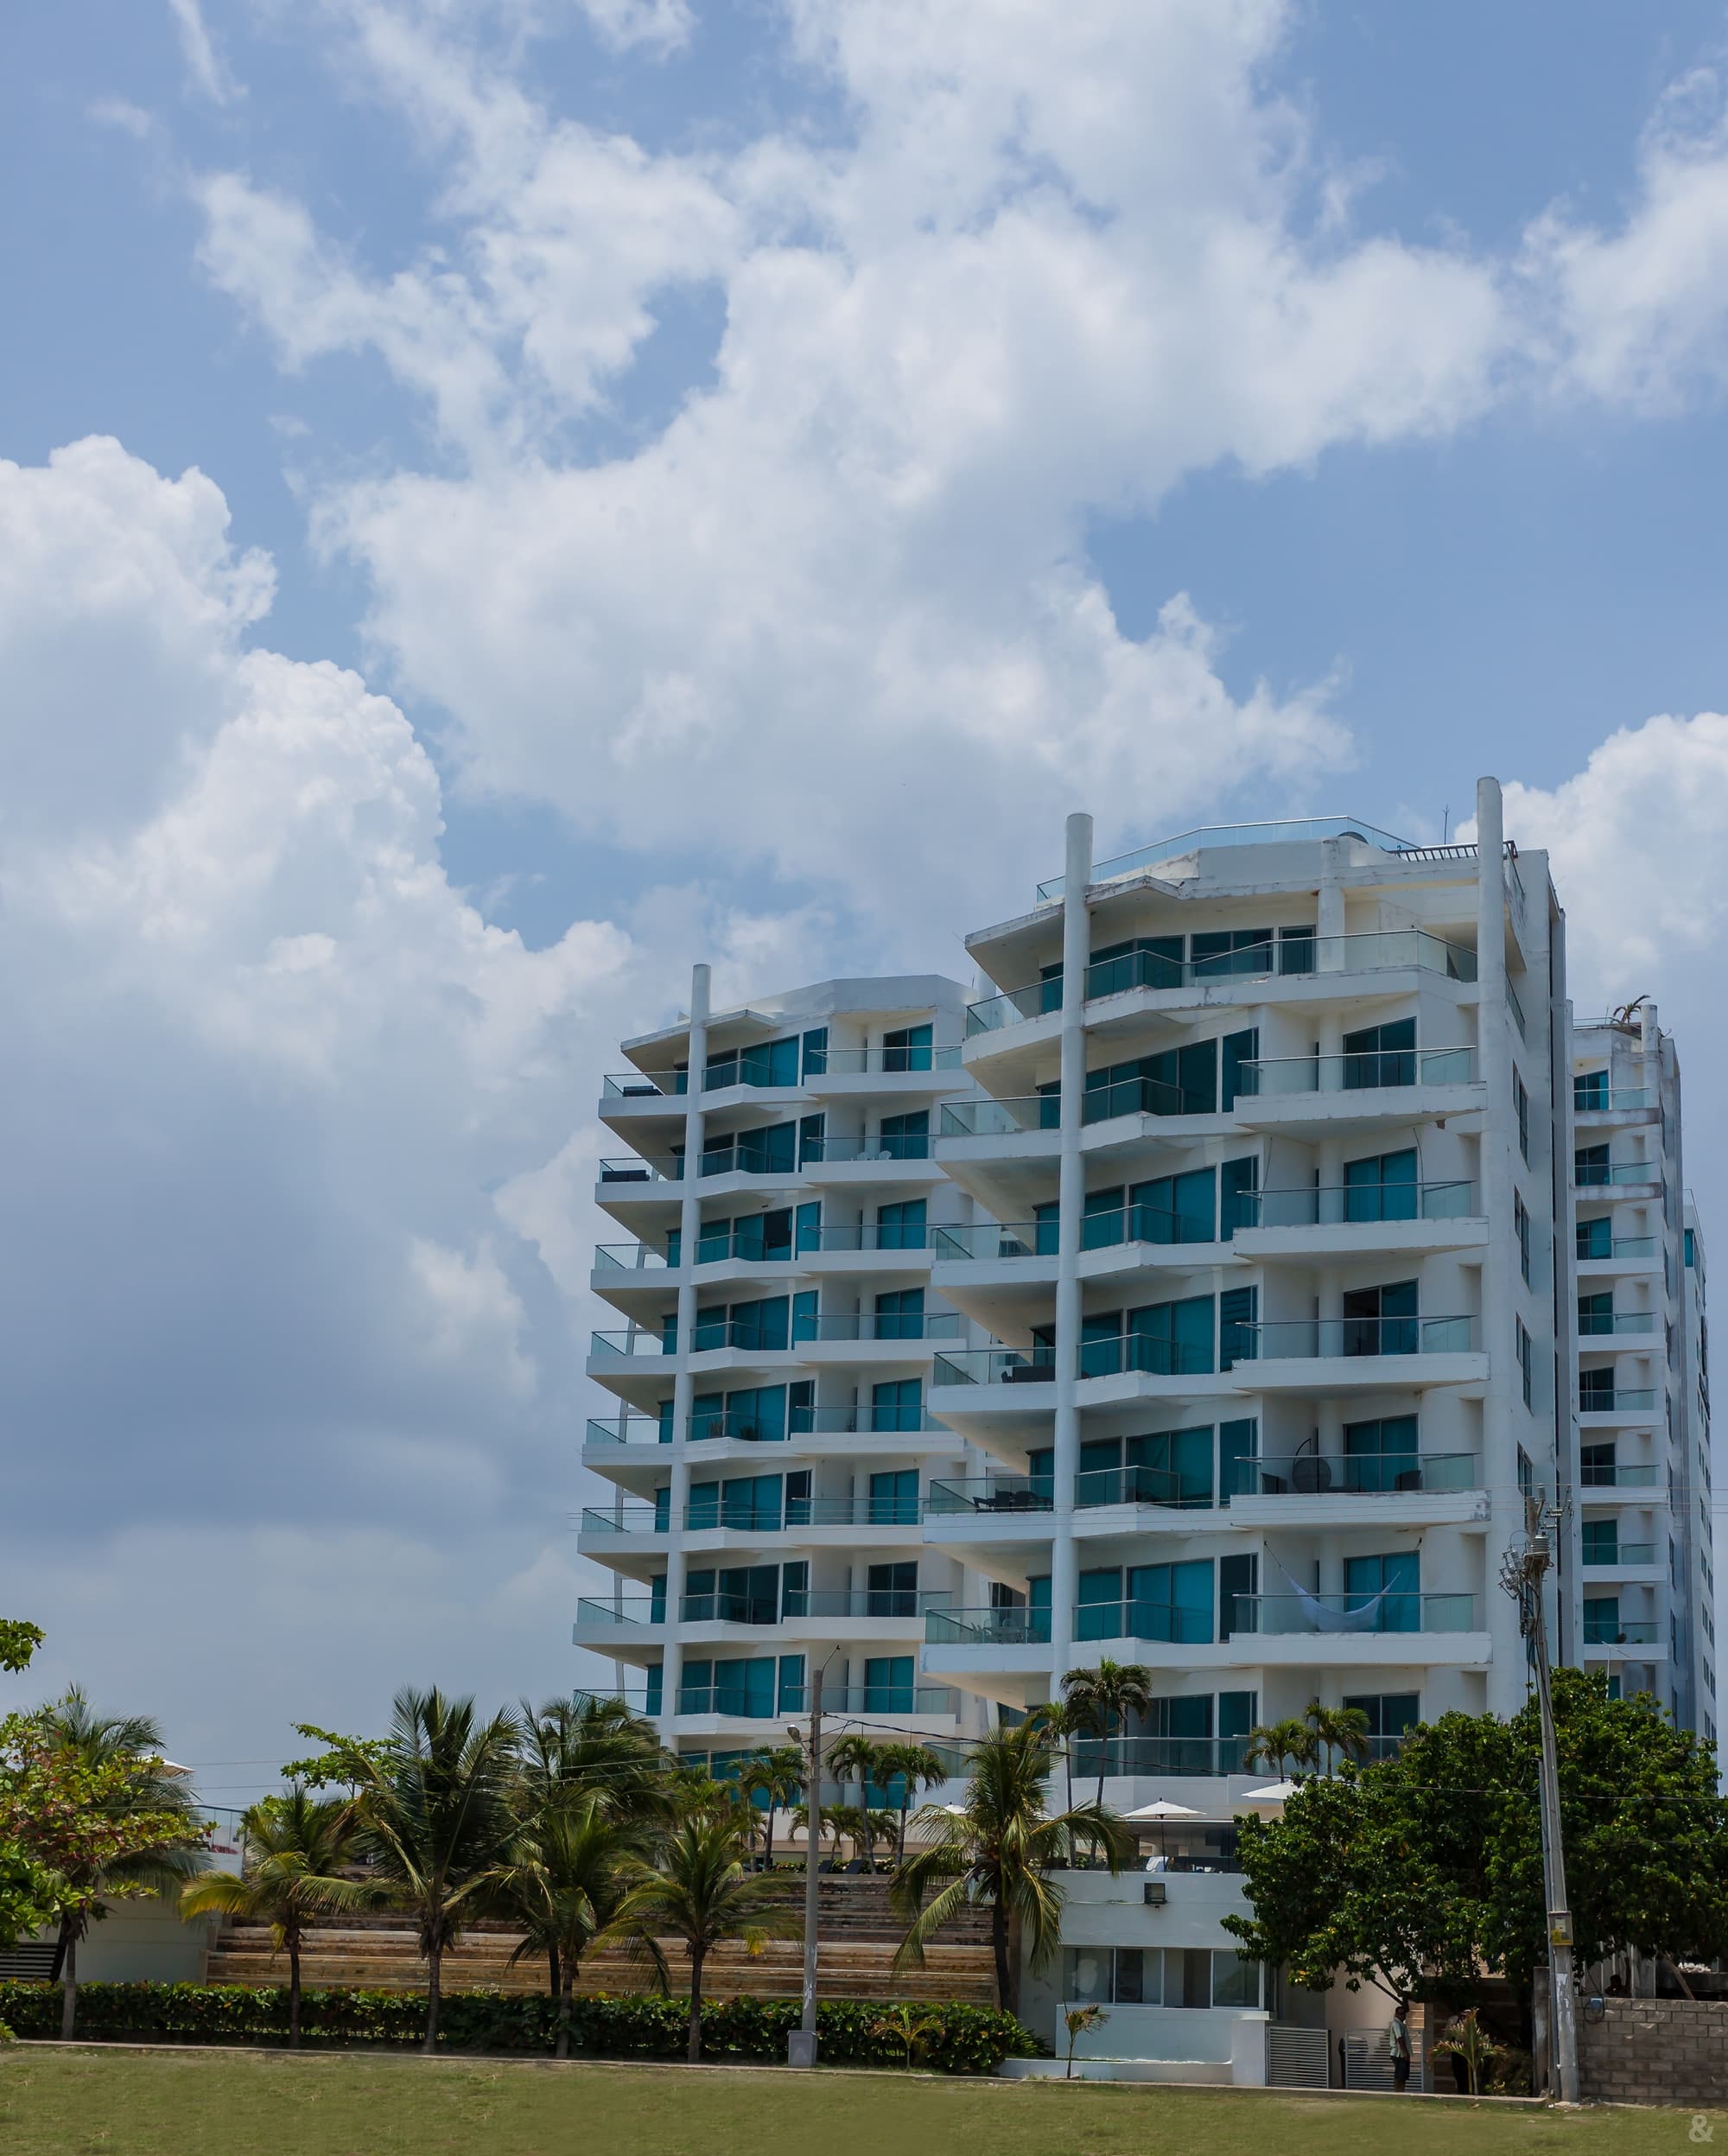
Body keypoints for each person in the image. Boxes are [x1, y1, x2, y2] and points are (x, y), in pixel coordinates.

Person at [1388, 2001, 1412, 2093]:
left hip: (1402, 2054)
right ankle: (1398, 2092)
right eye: (1401, 2014)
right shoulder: (1396, 2024)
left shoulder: (1402, 2024)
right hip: (1399, 2054)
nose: (1403, 2015)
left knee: (1403, 2076)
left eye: (1404, 2014)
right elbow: (1400, 2039)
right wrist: (1405, 2053)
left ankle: (1401, 2092)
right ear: (1396, 2014)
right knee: (1399, 2075)